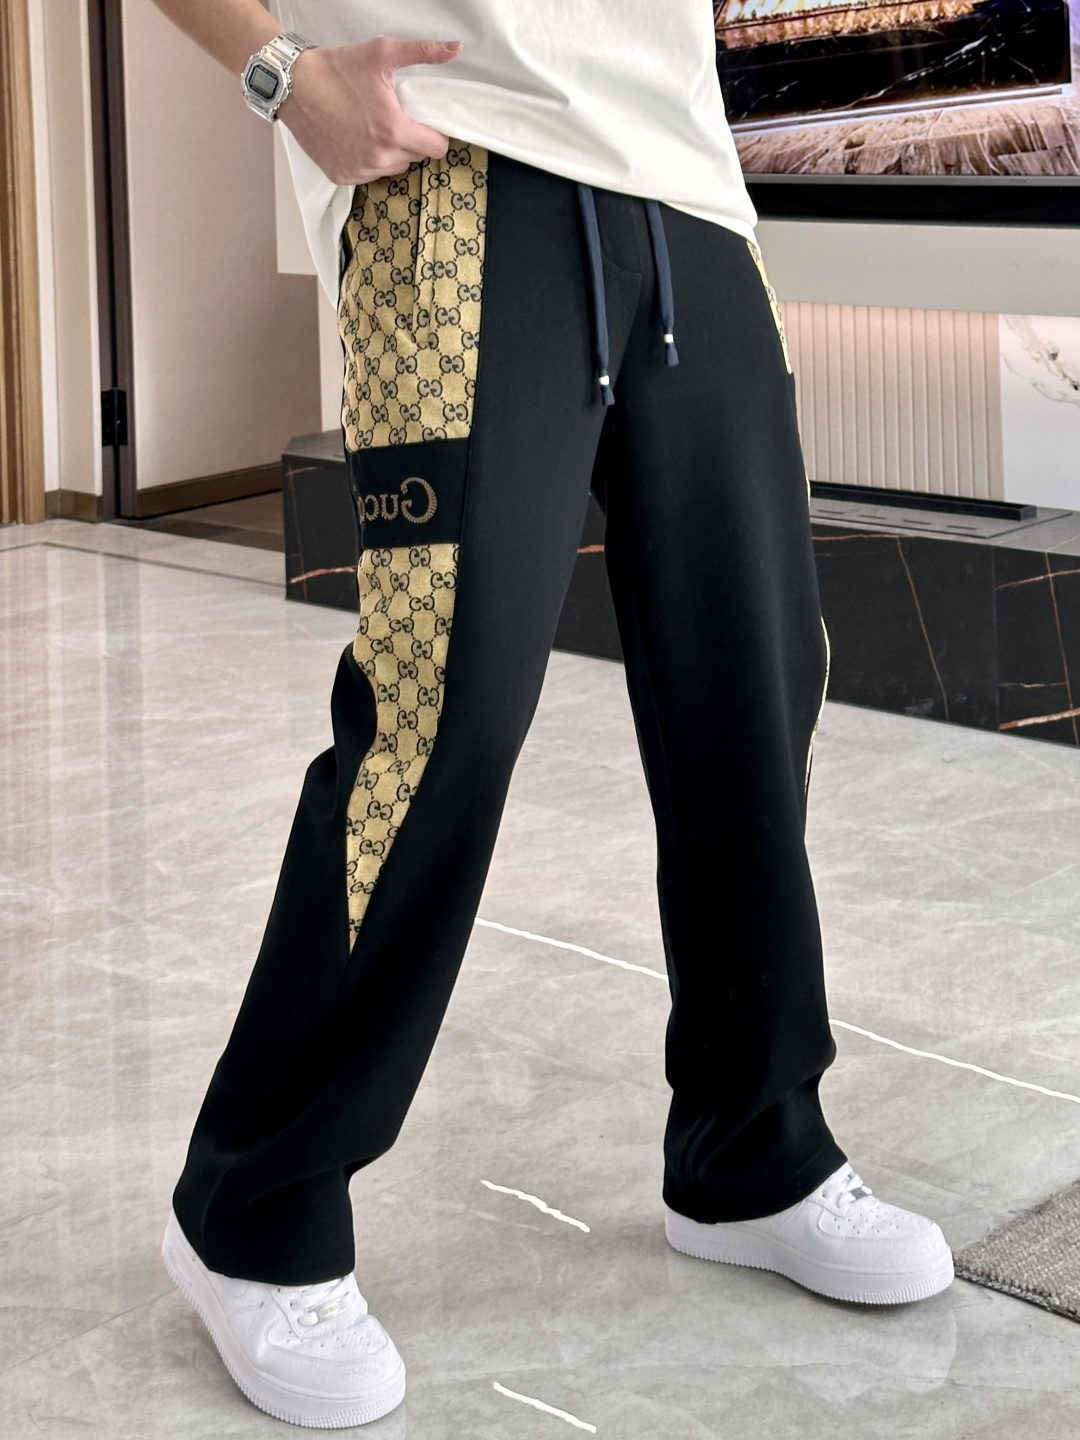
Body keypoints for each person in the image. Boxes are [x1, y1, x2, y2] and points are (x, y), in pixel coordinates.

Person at [152, 0, 955, 1428]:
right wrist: (282, 76)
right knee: (437, 718)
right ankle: (253, 1207)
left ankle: (749, 1147)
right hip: (453, 171)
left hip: (688, 192)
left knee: (754, 692)